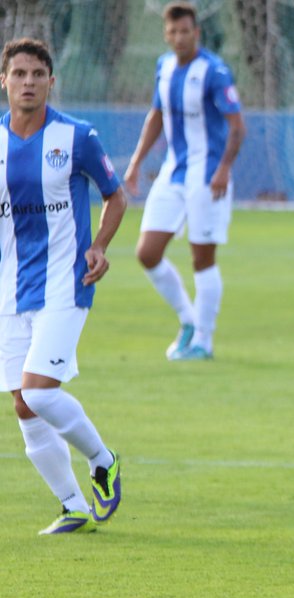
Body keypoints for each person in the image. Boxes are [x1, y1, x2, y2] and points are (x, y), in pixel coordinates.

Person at [1, 38, 128, 535]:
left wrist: (98, 245)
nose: (28, 82)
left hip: (66, 284)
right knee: (21, 402)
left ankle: (103, 460)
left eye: (37, 74)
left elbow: (116, 197)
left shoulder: (77, 137)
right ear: (4, 82)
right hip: (12, 289)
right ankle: (73, 504)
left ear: (51, 82)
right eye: (19, 74)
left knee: (40, 394)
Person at [123, 1, 245, 361]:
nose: (179, 37)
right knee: (147, 253)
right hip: (172, 173)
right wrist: (135, 163)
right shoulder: (163, 67)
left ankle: (204, 341)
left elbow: (238, 128)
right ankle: (188, 320)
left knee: (202, 258)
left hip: (207, 177)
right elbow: (156, 116)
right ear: (166, 34)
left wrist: (224, 169)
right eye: (173, 32)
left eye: (185, 31)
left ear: (197, 33)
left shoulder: (215, 72)